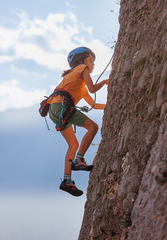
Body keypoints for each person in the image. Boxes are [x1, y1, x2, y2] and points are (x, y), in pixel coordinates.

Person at [47, 47, 109, 197]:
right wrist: (106, 81)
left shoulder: (72, 77)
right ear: (83, 60)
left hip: (54, 109)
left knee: (73, 144)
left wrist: (109, 106)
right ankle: (79, 159)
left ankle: (67, 181)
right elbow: (93, 89)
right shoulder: (82, 68)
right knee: (93, 127)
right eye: (91, 60)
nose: (93, 64)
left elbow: (93, 105)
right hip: (62, 107)